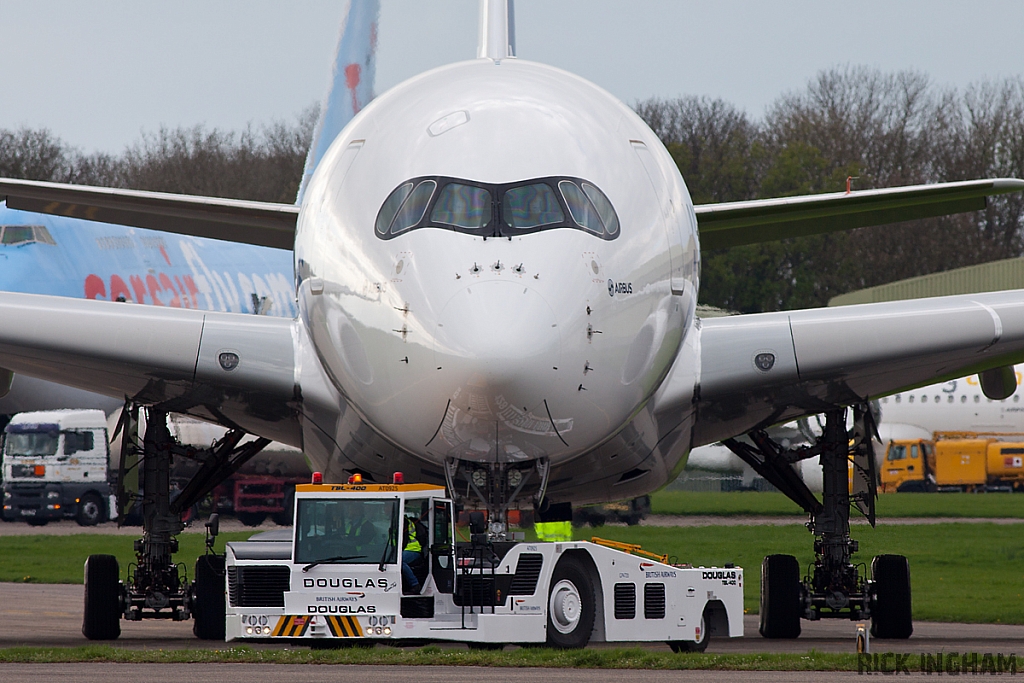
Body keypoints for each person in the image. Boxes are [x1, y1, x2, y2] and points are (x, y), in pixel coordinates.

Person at [401, 506, 428, 593]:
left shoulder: (403, 521)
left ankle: (415, 584)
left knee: (400, 562)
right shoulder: (396, 520)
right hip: (405, 549)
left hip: (413, 549)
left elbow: (403, 540)